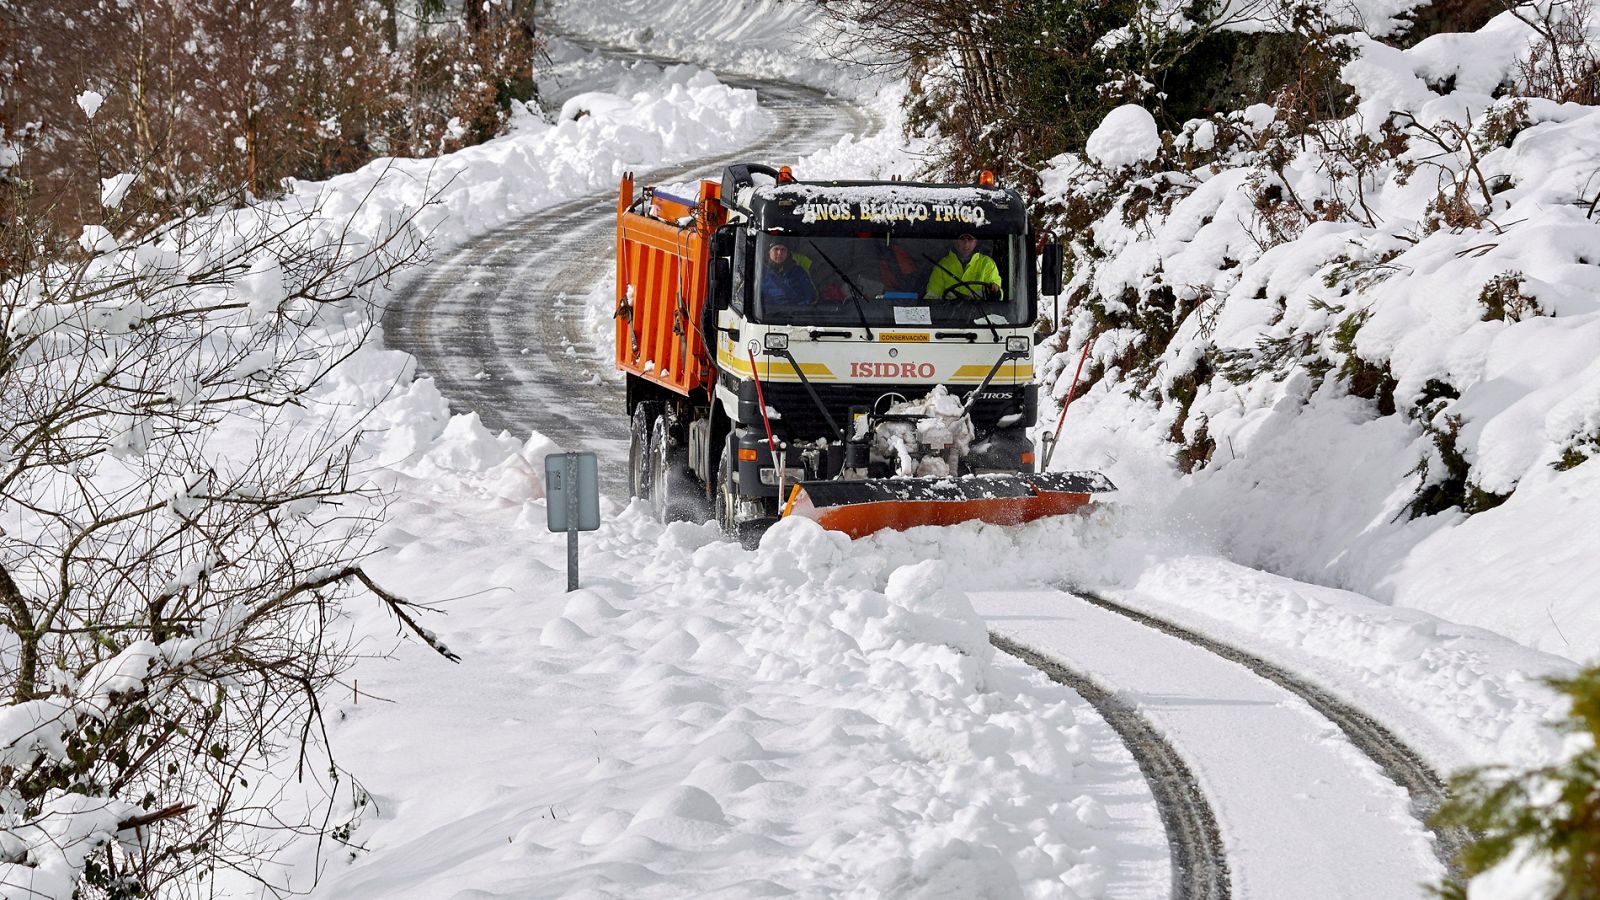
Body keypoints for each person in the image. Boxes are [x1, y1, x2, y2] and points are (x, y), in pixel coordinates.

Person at [924, 233, 1001, 300]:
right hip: (949, 315)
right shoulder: (942, 265)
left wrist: (995, 292)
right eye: (962, 239)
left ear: (976, 242)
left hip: (981, 315)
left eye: (970, 239)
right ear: (954, 241)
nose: (966, 244)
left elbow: (997, 296)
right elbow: (931, 297)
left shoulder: (987, 264)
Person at [761, 240, 817, 306]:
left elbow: (809, 295)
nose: (779, 253)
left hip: (795, 313)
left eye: (783, 250)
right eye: (776, 249)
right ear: (769, 252)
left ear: (787, 254)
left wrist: (798, 309)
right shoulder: (761, 272)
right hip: (768, 313)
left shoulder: (798, 272)